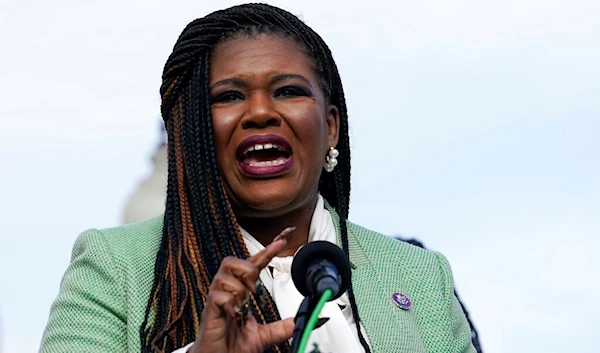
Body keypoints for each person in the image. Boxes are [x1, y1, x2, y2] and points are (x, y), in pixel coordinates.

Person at [39, 4, 476, 353]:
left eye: (289, 91)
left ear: (331, 128)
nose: (262, 112)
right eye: (228, 96)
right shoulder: (114, 267)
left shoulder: (419, 275)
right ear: (191, 135)